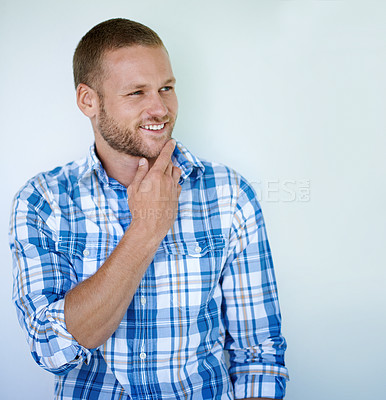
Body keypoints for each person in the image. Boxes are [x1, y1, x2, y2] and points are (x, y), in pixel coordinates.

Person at [9, 18, 289, 400]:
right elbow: (52, 350)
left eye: (166, 88)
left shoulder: (229, 193)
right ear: (88, 100)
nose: (160, 108)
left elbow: (258, 352)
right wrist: (146, 230)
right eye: (137, 93)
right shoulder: (43, 201)